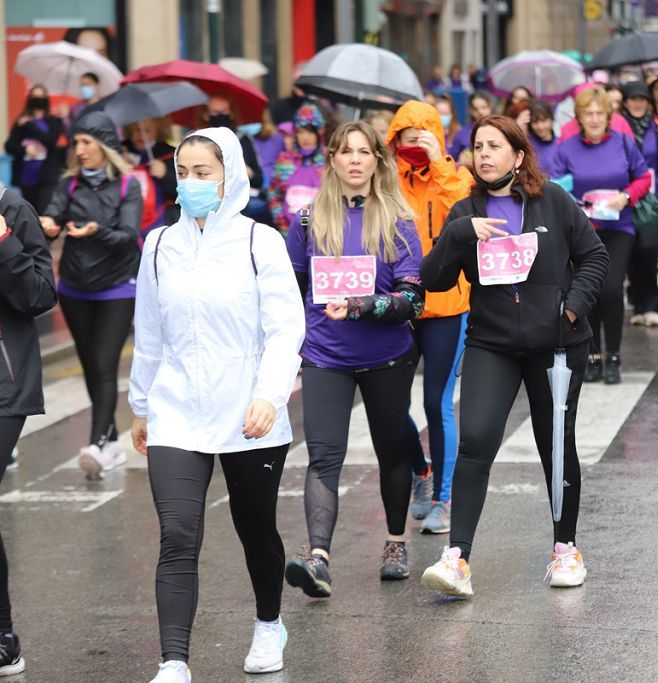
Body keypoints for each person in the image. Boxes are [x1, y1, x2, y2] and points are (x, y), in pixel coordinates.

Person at [129, 128, 303, 682]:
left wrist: (269, 395)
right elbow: (149, 331)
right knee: (178, 535)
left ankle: (269, 622)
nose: (192, 183)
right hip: (177, 407)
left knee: (255, 529)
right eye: (183, 173)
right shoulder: (159, 245)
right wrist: (140, 405)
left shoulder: (260, 241)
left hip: (247, 408)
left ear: (230, 176)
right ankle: (174, 662)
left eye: (204, 172)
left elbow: (285, 328)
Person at [419, 115, 609, 597]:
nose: (483, 154)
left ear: (518, 156)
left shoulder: (554, 201)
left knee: (555, 445)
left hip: (558, 345)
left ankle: (565, 548)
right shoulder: (464, 211)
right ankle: (457, 557)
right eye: (477, 146)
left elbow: (595, 256)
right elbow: (434, 278)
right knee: (476, 439)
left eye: (494, 146)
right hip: (492, 343)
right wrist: (461, 233)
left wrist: (571, 309)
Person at [283, 121, 425, 590]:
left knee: (392, 451)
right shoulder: (306, 220)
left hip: (387, 356)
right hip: (325, 354)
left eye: (365, 152)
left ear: (378, 161)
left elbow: (413, 299)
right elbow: (290, 287)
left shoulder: (398, 219)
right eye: (346, 152)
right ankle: (318, 556)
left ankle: (395, 541)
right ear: (332, 160)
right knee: (323, 456)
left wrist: (363, 306)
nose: (355, 160)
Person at [385, 101, 474, 531]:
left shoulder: (455, 176)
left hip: (446, 306)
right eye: (408, 135)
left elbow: (467, 211)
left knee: (436, 403)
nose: (415, 142)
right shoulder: (387, 180)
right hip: (398, 305)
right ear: (394, 140)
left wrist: (437, 162)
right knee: (389, 403)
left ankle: (443, 497)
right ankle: (419, 471)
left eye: (425, 133)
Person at [38, 111, 142, 478]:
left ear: (104, 146)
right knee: (90, 365)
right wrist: (48, 226)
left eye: (86, 143)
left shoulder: (129, 186)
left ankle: (99, 442)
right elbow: (52, 219)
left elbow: (128, 236)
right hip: (74, 287)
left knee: (104, 363)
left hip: (117, 286)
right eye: (76, 143)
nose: (79, 150)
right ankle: (110, 437)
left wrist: (96, 231)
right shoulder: (69, 185)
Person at [550, 86, 650, 384]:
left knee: (609, 288)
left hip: (619, 227)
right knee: (586, 292)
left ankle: (614, 355)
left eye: (599, 113)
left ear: (609, 116)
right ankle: (592, 356)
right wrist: (574, 205)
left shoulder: (622, 142)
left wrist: (626, 197)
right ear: (578, 118)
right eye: (588, 114)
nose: (594, 119)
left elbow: (643, 177)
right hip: (582, 231)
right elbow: (555, 186)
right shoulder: (566, 148)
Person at [0, 180, 58, 677]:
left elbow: (40, 296)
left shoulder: (13, 209)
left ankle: (2, 634)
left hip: (3, 383)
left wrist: (3, 244)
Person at [621, 81, 658, 327]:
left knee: (649, 250)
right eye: (633, 99)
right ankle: (638, 306)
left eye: (642, 99)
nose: (638, 103)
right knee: (631, 253)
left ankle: (652, 305)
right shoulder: (618, 128)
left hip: (652, 200)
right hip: (626, 197)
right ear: (625, 102)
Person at [5, 85, 66, 215]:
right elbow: (9, 146)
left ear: (46, 99)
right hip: (25, 177)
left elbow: (50, 141)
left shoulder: (54, 121)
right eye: (34, 96)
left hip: (46, 177)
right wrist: (25, 149)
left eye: (41, 96)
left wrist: (29, 125)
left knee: (45, 214)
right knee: (29, 215)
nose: (38, 99)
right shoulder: (20, 121)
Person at [267, 102, 326, 232]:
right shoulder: (284, 160)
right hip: (288, 231)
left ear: (320, 133)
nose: (305, 137)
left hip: (321, 232)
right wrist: (281, 221)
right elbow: (273, 193)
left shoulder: (329, 161)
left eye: (310, 132)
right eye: (301, 132)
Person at [123, 117, 180, 233]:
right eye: (136, 129)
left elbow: (181, 192)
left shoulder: (170, 154)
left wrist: (165, 174)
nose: (140, 134)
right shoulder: (121, 151)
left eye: (147, 130)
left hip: (162, 220)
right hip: (129, 219)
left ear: (158, 131)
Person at [452, 91, 494, 164]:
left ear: (490, 107)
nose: (480, 112)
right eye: (476, 109)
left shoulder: (500, 129)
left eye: (484, 107)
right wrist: (461, 162)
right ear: (470, 110)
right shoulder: (462, 133)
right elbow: (453, 160)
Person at [527, 99, 559, 175]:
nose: (540, 127)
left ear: (551, 119)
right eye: (535, 122)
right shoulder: (527, 144)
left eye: (544, 121)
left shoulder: (561, 143)